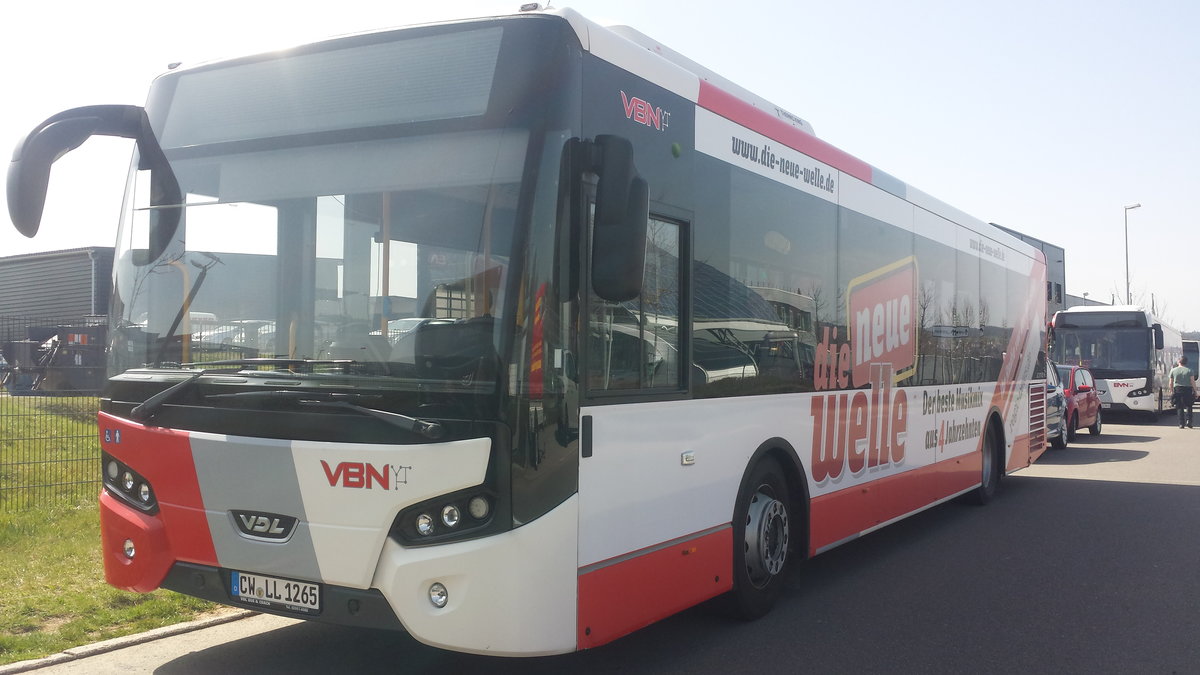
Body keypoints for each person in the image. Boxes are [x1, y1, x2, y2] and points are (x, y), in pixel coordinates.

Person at [1167, 355, 1197, 428]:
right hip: (1188, 389)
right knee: (1189, 406)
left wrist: (1171, 391)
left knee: (1179, 406)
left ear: (1178, 361)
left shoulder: (1173, 370)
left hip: (1177, 389)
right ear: (1186, 363)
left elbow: (1170, 382)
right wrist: (1195, 391)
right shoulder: (1189, 370)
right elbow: (1192, 381)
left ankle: (1181, 424)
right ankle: (1189, 421)